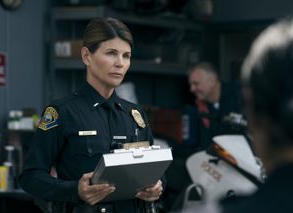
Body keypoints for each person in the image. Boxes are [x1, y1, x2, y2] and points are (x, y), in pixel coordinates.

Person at [19, 17, 162, 213]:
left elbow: (154, 167)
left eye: (126, 56)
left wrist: (156, 187)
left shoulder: (135, 115)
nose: (120, 63)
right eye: (111, 53)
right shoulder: (62, 112)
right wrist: (74, 190)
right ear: (87, 56)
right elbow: (30, 177)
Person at [175, 17, 293, 213]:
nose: (192, 89)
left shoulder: (236, 96)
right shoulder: (195, 110)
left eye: (196, 83)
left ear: (254, 117)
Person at [187, 62, 244, 149]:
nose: (192, 89)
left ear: (212, 81)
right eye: (191, 84)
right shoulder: (201, 107)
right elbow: (202, 146)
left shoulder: (239, 95)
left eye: (196, 84)